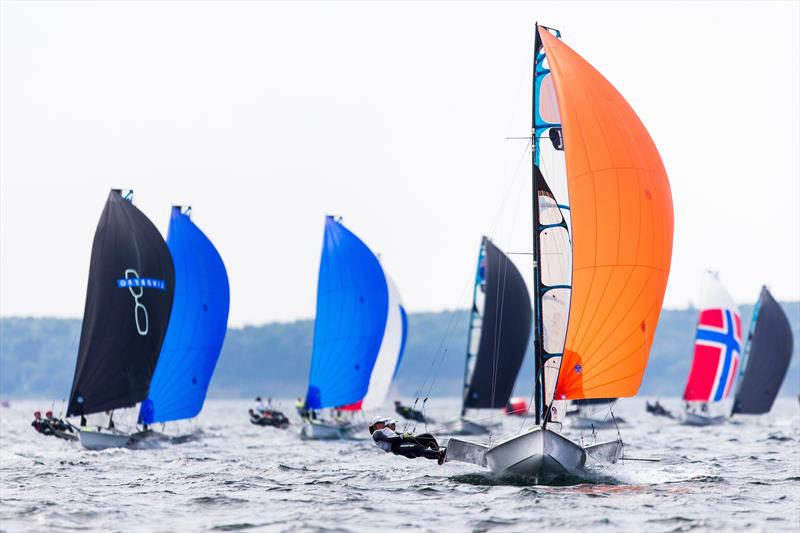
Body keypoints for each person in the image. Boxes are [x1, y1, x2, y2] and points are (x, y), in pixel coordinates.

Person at [369, 417, 446, 465]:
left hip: (402, 443)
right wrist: (402, 436)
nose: (383, 424)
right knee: (418, 448)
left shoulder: (386, 430)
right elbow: (389, 440)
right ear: (376, 425)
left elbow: (399, 435)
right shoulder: (377, 433)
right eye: (381, 423)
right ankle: (440, 454)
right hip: (396, 447)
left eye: (383, 422)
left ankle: (439, 456)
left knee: (428, 436)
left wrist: (408, 435)